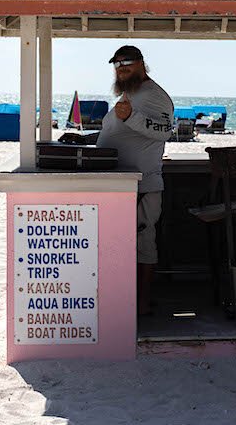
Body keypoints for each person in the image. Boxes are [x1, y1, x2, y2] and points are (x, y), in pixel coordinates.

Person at [97, 45, 173, 315]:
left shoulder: (154, 95)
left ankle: (141, 304)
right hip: (124, 187)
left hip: (143, 186)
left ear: (141, 63)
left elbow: (165, 131)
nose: (121, 67)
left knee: (143, 244)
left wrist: (132, 117)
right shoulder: (131, 93)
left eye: (127, 61)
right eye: (116, 63)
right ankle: (130, 302)